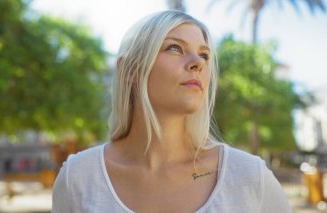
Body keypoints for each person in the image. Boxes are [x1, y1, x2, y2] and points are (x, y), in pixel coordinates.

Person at [52, 10, 292, 213]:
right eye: (175, 48)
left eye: (204, 55)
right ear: (130, 70)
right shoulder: (79, 177)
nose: (197, 63)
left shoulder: (249, 177)